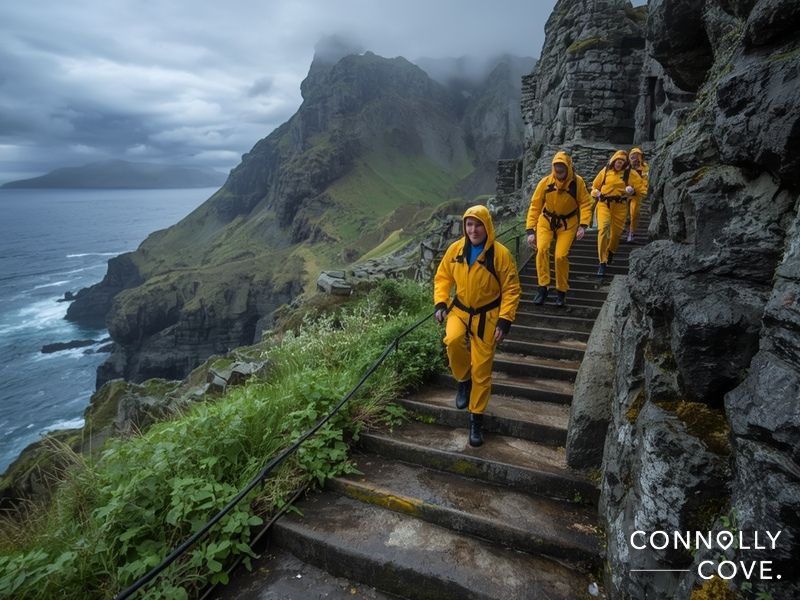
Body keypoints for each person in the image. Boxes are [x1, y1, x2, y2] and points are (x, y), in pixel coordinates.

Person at [434, 205, 521, 447]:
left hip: (488, 316)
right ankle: (463, 380)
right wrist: (441, 302)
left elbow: (512, 290)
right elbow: (442, 277)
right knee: (452, 341)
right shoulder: (456, 249)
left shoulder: (500, 255)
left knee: (482, 371)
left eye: (478, 224)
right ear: (465, 226)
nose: (473, 230)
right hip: (460, 310)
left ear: (487, 226)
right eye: (469, 224)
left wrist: (505, 320)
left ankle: (476, 418)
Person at [525, 151, 592, 307]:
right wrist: (530, 230)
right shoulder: (545, 182)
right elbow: (535, 205)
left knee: (560, 256)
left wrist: (583, 225)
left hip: (568, 224)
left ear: (568, 167)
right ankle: (543, 287)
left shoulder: (578, 183)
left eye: (562, 167)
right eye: (556, 167)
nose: (559, 170)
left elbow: (585, 203)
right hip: (546, 221)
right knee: (541, 249)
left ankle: (561, 291)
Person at [591, 150, 646, 277]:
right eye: (617, 161)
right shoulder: (605, 171)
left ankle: (611, 251)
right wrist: (596, 193)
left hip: (620, 205)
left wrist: (632, 191)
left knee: (616, 234)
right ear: (613, 161)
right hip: (604, 204)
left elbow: (642, 189)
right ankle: (602, 262)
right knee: (603, 229)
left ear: (625, 163)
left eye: (621, 162)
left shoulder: (630, 174)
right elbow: (594, 187)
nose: (619, 164)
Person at [626, 147, 650, 242]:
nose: (635, 158)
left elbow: (645, 181)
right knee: (623, 214)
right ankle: (625, 230)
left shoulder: (644, 168)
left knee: (634, 213)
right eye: (633, 156)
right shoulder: (626, 167)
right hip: (624, 193)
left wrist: (639, 190)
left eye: (637, 156)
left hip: (636, 194)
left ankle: (631, 233)